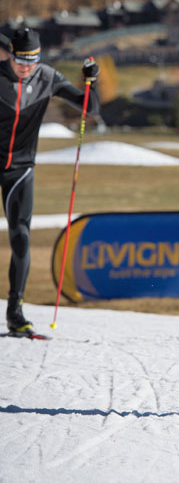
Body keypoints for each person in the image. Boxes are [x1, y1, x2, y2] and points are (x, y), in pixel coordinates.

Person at [1, 28, 100, 335]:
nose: (26, 67)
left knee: (21, 238)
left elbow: (89, 108)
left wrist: (91, 81)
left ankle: (15, 312)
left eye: (32, 60)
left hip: (20, 168)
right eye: (20, 60)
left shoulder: (47, 77)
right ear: (10, 55)